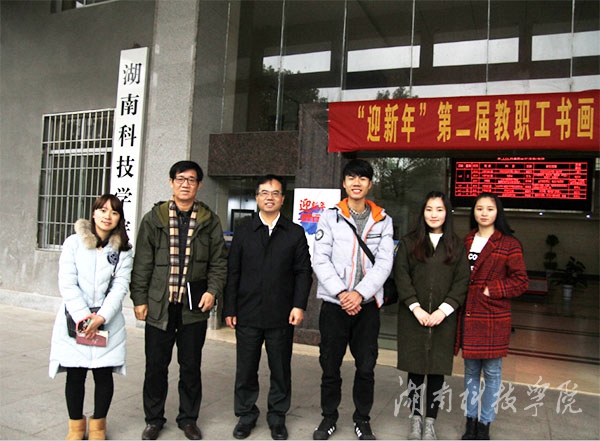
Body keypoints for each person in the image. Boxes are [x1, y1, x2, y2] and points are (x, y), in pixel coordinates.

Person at [130, 160, 228, 440]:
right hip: (159, 305)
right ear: (171, 182)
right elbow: (142, 262)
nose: (186, 184)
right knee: (155, 367)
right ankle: (154, 420)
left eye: (191, 180)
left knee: (191, 367)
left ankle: (188, 419)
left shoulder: (209, 220)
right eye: (180, 179)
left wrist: (212, 291)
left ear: (199, 185)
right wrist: (139, 298)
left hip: (192, 308)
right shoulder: (154, 218)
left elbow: (219, 262)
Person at [223, 174, 313, 441]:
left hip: (281, 314)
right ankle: (246, 415)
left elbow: (303, 272)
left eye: (275, 193)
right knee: (246, 369)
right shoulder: (244, 230)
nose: (269, 197)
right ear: (257, 198)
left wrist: (299, 305)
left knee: (280, 369)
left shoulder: (294, 232)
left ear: (283, 199)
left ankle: (277, 417)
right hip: (247, 312)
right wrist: (230, 308)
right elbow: (233, 271)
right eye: (264, 192)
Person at [312, 159, 395, 441]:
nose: (356, 183)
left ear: (370, 184)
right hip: (334, 306)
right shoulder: (329, 217)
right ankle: (329, 418)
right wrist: (341, 293)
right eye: (351, 177)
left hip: (367, 307)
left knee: (366, 367)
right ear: (344, 183)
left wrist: (359, 294)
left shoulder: (383, 219)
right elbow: (320, 259)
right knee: (329, 365)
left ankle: (362, 419)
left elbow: (384, 263)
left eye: (362, 178)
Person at [49, 194, 134, 440]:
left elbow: (120, 286)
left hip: (107, 322)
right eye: (103, 210)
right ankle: (76, 428)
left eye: (114, 212)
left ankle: (98, 428)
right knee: (75, 374)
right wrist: (85, 317)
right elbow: (67, 282)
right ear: (94, 213)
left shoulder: (123, 250)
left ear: (119, 218)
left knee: (103, 375)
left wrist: (101, 317)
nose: (108, 216)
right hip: (75, 319)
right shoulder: (73, 243)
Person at [393, 191, 469, 440]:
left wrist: (443, 310)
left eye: (439, 209)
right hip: (413, 317)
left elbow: (462, 281)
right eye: (429, 209)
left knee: (436, 371)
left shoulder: (456, 245)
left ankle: (430, 422)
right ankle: (415, 420)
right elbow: (401, 276)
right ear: (422, 212)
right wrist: (415, 307)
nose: (434, 214)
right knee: (415, 370)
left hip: (442, 319)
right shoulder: (409, 242)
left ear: (447, 213)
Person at [455, 192, 528, 440]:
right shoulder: (465, 241)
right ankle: (471, 421)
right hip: (469, 314)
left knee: (493, 373)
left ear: (498, 212)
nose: (484, 213)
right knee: (470, 372)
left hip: (493, 316)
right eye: (479, 208)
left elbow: (521, 281)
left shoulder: (509, 244)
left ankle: (485, 423)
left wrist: (492, 289)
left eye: (490, 208)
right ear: (473, 212)